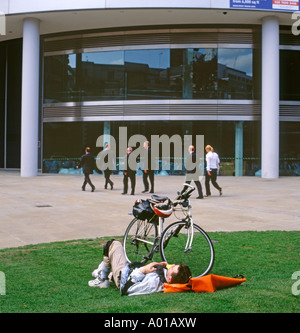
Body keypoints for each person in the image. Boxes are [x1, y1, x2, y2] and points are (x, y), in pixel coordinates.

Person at [88, 239, 192, 296]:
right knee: (111, 262)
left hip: (123, 278)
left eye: (173, 268)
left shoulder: (154, 282)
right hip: (128, 270)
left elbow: (128, 288)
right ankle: (103, 273)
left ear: (169, 279)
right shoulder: (164, 275)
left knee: (113, 244)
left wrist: (143, 270)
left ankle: (102, 279)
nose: (172, 265)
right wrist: (162, 265)